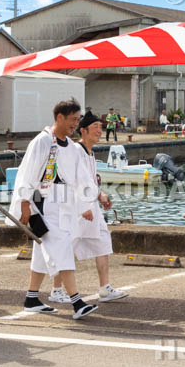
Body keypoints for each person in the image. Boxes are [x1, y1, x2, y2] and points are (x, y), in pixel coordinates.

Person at [7, 98, 98, 320]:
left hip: (64, 202)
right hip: (44, 202)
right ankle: (77, 301)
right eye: (73, 120)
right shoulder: (43, 141)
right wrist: (24, 202)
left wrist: (88, 202)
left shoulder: (72, 147)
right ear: (59, 117)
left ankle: (31, 297)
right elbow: (28, 172)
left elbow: (80, 177)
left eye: (77, 120)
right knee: (63, 246)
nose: (75, 124)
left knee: (43, 250)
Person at [49, 111, 128, 304]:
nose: (99, 131)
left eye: (101, 127)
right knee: (67, 247)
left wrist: (99, 195)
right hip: (77, 209)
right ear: (83, 131)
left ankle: (104, 288)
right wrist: (83, 205)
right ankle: (56, 290)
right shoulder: (75, 151)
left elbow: (88, 181)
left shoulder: (90, 153)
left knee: (103, 242)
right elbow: (69, 180)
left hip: (91, 208)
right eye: (95, 127)